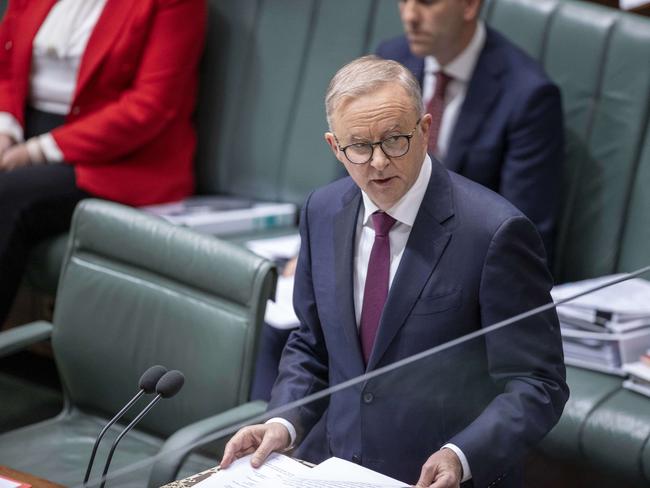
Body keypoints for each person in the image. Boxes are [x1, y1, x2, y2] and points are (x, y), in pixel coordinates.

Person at [221, 56, 568, 488]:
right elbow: (311, 346)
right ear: (335, 147)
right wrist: (284, 421)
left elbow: (538, 384)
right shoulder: (322, 212)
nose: (379, 162)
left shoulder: (495, 232)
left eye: (395, 140)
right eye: (360, 147)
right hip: (336, 468)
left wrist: (462, 455)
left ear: (425, 130)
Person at [0, 0, 206, 325]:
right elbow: (7, 66)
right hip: (23, 131)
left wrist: (36, 152)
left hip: (120, 159)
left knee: (7, 193)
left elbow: (150, 106)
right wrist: (6, 129)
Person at [376, 0, 563, 263]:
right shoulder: (391, 60)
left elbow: (522, 236)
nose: (409, 16)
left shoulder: (527, 95)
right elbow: (353, 175)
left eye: (427, 2)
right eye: (403, 0)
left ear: (469, 5)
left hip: (460, 268)